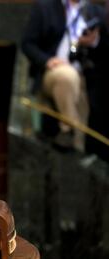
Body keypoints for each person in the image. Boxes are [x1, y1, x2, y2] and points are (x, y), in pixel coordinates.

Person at [21, 0, 109, 151]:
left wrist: (93, 42)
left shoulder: (95, 12)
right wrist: (46, 60)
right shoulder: (45, 7)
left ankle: (76, 149)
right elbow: (27, 43)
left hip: (82, 75)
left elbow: (102, 51)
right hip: (53, 72)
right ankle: (68, 129)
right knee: (67, 77)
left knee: (82, 116)